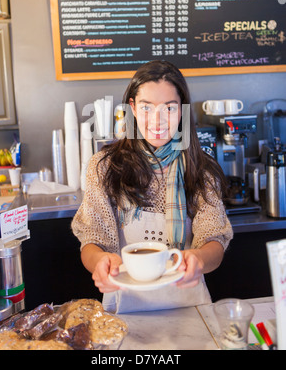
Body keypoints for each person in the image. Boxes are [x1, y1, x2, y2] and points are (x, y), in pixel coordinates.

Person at [72, 60, 233, 313]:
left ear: (182, 111)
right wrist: (100, 262)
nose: (157, 121)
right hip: (125, 307)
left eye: (169, 108)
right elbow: (92, 241)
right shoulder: (104, 167)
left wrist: (199, 259)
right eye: (147, 108)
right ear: (133, 108)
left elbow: (214, 240)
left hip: (189, 306)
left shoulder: (200, 170)